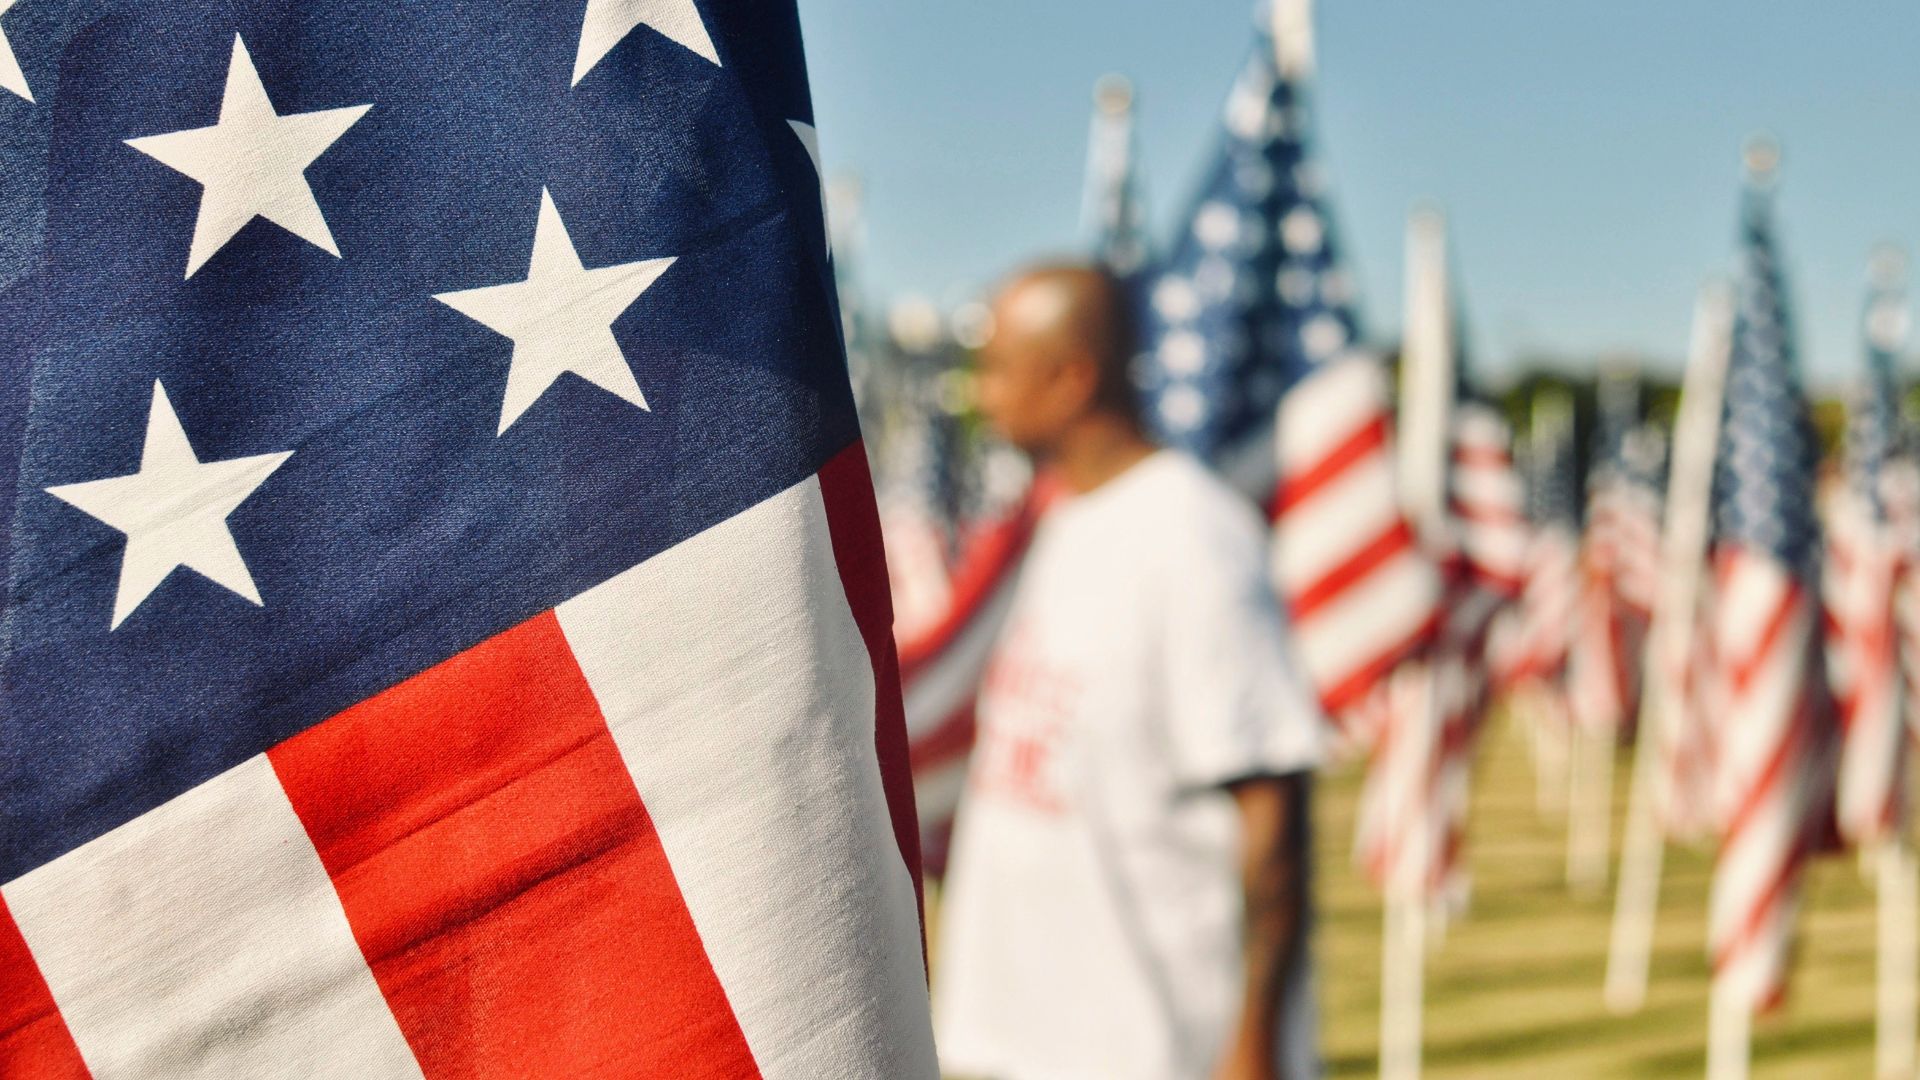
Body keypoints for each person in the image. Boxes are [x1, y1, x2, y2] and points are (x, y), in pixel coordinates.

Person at [933, 262, 1324, 1080]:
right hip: (1031, 1042)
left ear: (1071, 378)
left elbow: (1273, 813)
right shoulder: (1060, 519)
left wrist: (1254, 1043)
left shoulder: (1192, 536)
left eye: (999, 366)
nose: (981, 391)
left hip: (1154, 1048)